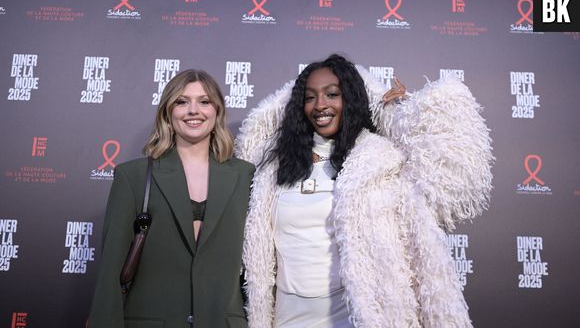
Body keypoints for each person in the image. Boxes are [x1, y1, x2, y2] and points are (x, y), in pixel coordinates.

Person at [236, 54, 493, 327]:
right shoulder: (274, 168)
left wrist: (402, 112)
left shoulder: (381, 163)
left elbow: (451, 176)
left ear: (351, 98)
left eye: (332, 94)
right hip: (288, 316)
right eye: (309, 97)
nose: (320, 105)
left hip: (351, 316)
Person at [88, 69, 255, 328]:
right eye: (182, 101)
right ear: (168, 112)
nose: (193, 110)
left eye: (204, 101)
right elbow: (111, 270)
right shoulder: (132, 176)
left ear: (217, 111)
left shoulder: (246, 176)